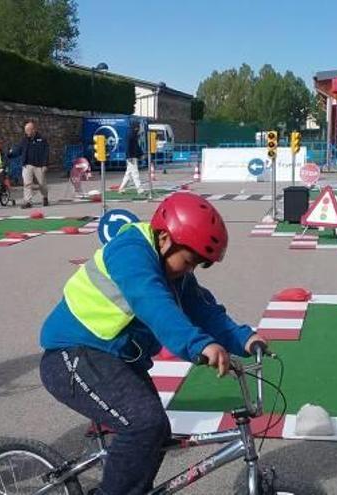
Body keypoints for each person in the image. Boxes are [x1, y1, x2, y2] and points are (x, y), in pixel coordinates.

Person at [38, 192, 265, 495]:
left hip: (113, 358)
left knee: (155, 433)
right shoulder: (130, 252)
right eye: (189, 261)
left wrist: (244, 338)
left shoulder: (172, 269)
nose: (189, 270)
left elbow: (203, 310)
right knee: (144, 425)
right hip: (72, 355)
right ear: (166, 239)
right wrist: (199, 345)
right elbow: (154, 303)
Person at [9, 120, 50, 208]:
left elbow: (46, 152)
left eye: (28, 130)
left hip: (39, 165)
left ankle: (45, 197)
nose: (26, 132)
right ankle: (28, 201)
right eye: (26, 130)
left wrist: (45, 165)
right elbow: (19, 150)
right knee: (27, 183)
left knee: (42, 183)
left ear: (33, 130)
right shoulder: (24, 140)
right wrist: (10, 154)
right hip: (27, 165)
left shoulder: (42, 139)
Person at [118, 122, 145, 195]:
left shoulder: (133, 134)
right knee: (135, 173)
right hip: (131, 157)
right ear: (136, 128)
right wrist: (129, 156)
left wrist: (141, 154)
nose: (139, 129)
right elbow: (128, 146)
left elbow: (136, 146)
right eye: (138, 127)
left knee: (129, 174)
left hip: (132, 156)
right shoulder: (131, 134)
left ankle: (121, 188)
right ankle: (139, 189)